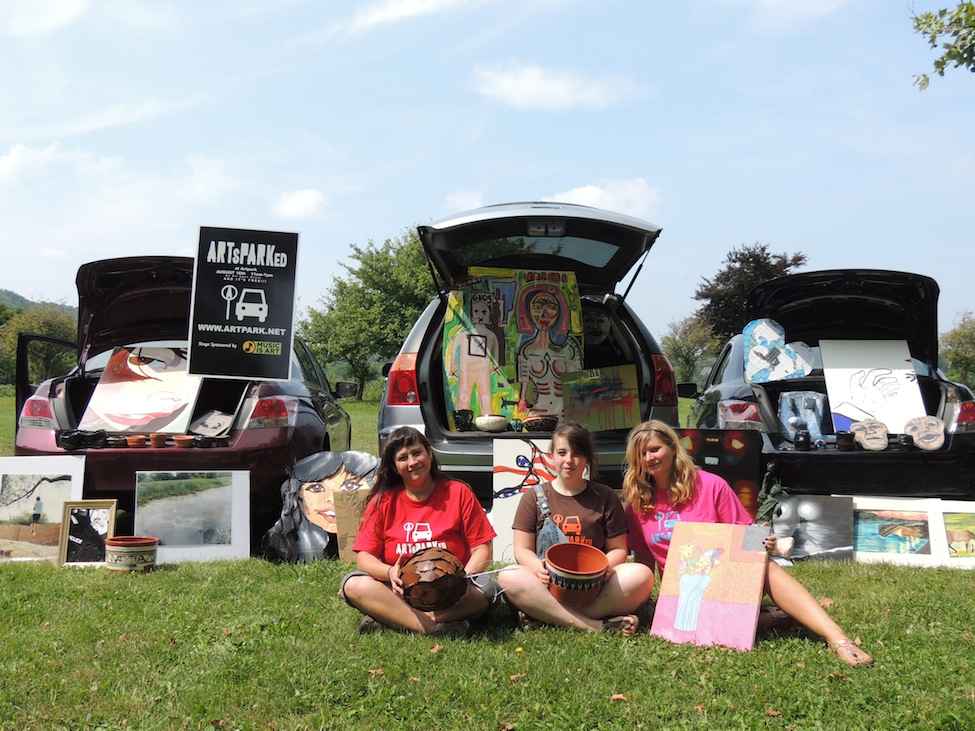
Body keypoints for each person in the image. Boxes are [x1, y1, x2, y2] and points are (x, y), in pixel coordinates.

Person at [622, 420, 874, 667]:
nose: (648, 458)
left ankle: (837, 638)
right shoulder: (638, 501)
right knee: (710, 622)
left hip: (722, 579)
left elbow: (744, 536)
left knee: (766, 565)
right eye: (640, 454)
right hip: (683, 593)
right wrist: (649, 609)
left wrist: (765, 543)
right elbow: (644, 563)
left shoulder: (710, 485)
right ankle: (775, 616)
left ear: (673, 448)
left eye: (654, 449)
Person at [497, 423, 654, 636]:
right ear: (551, 456)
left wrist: (606, 567)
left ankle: (548, 614)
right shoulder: (533, 497)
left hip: (594, 588)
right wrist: (537, 568)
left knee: (642, 575)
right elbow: (521, 549)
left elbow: (619, 549)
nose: (569, 460)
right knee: (508, 576)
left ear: (587, 458)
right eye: (562, 453)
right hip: (547, 587)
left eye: (577, 454)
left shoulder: (605, 497)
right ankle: (595, 626)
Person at [341, 427, 498, 636]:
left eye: (417, 453)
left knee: (490, 589)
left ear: (429, 453)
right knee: (353, 585)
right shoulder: (383, 501)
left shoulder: (459, 493)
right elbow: (364, 558)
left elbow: (482, 549)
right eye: (403, 458)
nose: (412, 462)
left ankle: (394, 617)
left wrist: (464, 580)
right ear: (395, 467)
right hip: (400, 591)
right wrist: (390, 572)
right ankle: (433, 627)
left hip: (453, 592)